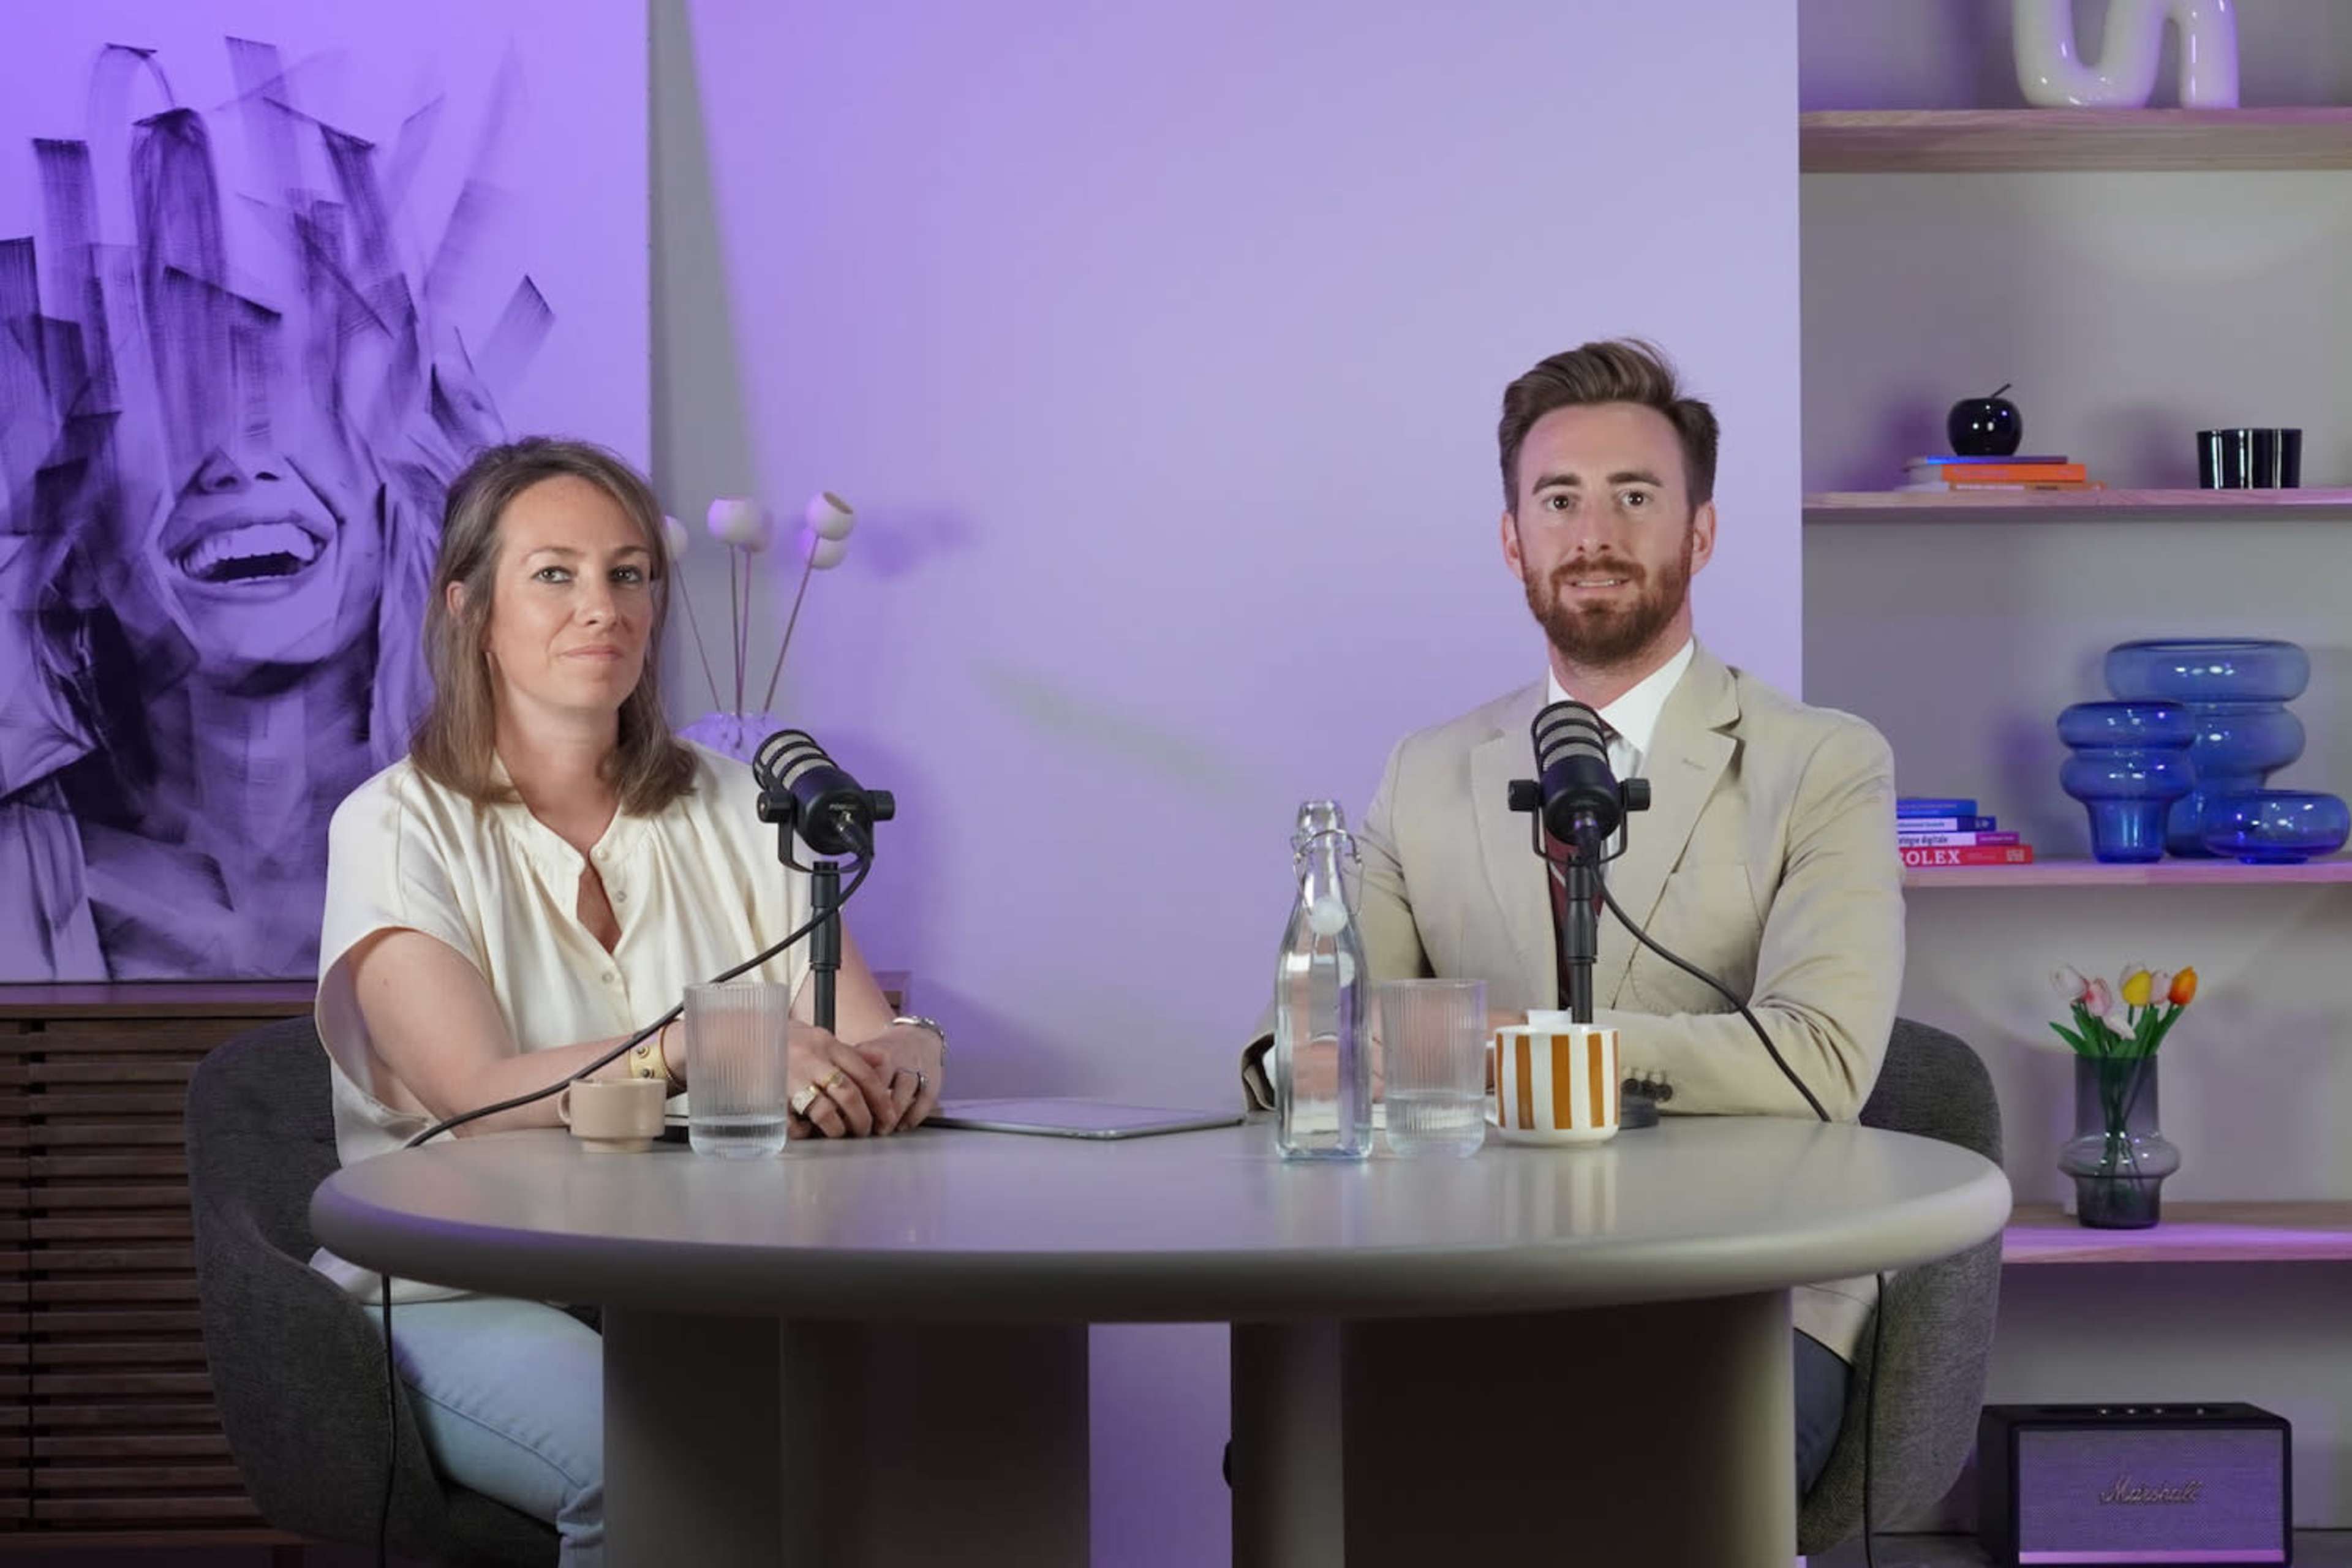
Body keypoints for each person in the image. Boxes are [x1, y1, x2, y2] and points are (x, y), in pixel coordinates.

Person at [1239, 339, 1903, 1497]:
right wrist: (1308, 1056)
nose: (1593, 532)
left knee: (1628, 1477)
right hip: (1463, 1277)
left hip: (1744, 1286)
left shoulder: (1822, 763)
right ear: (1514, 541)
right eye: (1559, 500)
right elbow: (1316, 1051)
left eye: (1634, 497)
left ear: (1699, 533)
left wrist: (1525, 1055)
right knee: (1302, 1461)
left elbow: (1821, 1063)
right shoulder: (1426, 771)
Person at [309, 437, 948, 1565]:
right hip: (461, 1289)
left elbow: (869, 1030)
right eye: (553, 573)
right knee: (657, 1468)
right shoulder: (394, 826)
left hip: (699, 1286)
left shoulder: (739, 802)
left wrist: (907, 1058)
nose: (600, 606)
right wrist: (702, 1044)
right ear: (468, 608)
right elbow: (476, 1091)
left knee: (922, 1442)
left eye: (628, 572)